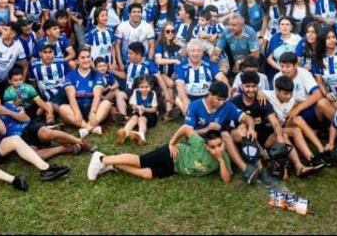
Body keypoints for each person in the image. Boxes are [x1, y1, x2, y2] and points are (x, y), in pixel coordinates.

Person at [0, 87, 71, 182]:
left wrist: (2, 114)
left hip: (22, 132)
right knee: (19, 139)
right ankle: (48, 166)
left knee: (28, 136)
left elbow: (23, 119)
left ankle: (47, 168)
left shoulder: (3, 107)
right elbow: (1, 132)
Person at [180, 81, 259, 183]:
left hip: (217, 139)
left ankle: (256, 162)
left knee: (242, 129)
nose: (220, 103)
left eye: (223, 100)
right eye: (218, 99)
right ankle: (245, 169)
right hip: (200, 140)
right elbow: (187, 132)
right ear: (209, 94)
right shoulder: (195, 106)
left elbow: (247, 118)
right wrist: (206, 129)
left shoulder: (226, 106)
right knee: (225, 135)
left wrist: (251, 128)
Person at [87, 128, 232, 183]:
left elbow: (226, 180)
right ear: (207, 146)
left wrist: (220, 161)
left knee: (147, 174)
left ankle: (113, 164)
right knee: (140, 161)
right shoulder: (200, 143)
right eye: (212, 147)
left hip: (174, 169)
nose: (216, 149)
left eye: (219, 145)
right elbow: (186, 129)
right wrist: (172, 143)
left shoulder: (224, 158)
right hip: (171, 155)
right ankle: (101, 158)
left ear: (224, 144)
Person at [59, 48, 112, 138]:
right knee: (62, 108)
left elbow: (97, 96)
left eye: (88, 57)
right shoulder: (70, 75)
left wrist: (93, 112)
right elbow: (71, 97)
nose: (86, 60)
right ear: (77, 61)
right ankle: (92, 127)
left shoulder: (96, 74)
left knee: (107, 103)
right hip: (77, 107)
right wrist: (77, 113)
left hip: (94, 108)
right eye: (82, 58)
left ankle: (86, 129)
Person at [117, 76, 158, 145]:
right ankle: (124, 133)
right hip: (138, 112)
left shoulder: (152, 94)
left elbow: (154, 109)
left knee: (141, 119)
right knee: (134, 118)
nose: (144, 89)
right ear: (138, 87)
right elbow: (132, 104)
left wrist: (145, 109)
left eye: (146, 87)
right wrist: (137, 107)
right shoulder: (136, 92)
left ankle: (141, 136)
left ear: (151, 86)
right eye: (141, 87)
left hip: (150, 115)